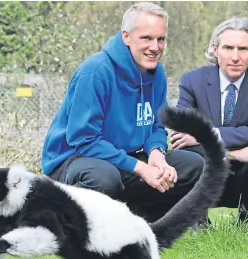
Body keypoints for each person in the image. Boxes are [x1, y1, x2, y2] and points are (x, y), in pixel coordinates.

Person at [40, 2, 204, 222]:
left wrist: (157, 153)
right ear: (126, 37)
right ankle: (64, 220)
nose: (155, 47)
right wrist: (141, 169)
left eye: (160, 39)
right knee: (104, 177)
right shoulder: (95, 72)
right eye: (146, 38)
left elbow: (156, 125)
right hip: (74, 159)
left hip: (122, 158)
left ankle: (142, 219)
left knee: (192, 165)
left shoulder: (157, 72)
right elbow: (84, 140)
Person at [173, 17, 248, 224]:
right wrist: (236, 154)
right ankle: (199, 224)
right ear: (215, 50)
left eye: (242, 49)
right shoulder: (192, 80)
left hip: (244, 177)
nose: (235, 56)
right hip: (205, 171)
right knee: (185, 157)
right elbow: (180, 136)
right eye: (228, 48)